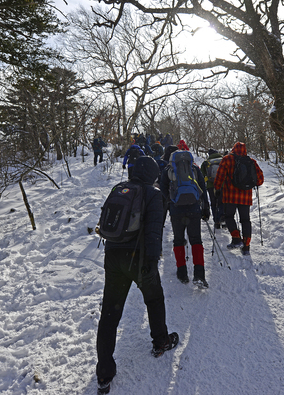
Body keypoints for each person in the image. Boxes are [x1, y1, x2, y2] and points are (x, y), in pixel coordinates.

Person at [96, 156, 179, 394]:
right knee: (154, 298)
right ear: (151, 174)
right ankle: (161, 341)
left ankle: (104, 374)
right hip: (138, 258)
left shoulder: (119, 189)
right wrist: (151, 263)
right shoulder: (153, 194)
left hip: (113, 258)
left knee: (110, 314)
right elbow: (154, 231)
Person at [160, 140, 211, 287]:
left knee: (178, 240)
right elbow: (203, 187)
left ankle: (182, 272)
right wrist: (205, 207)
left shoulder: (168, 170)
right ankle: (199, 274)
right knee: (196, 240)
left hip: (176, 210)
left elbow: (163, 187)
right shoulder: (194, 168)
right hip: (194, 208)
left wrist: (170, 200)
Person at [213, 142, 264, 256]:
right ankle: (246, 246)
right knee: (245, 220)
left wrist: (217, 189)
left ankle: (236, 238)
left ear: (233, 149)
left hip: (230, 196)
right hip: (245, 197)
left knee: (229, 217)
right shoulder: (251, 161)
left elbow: (219, 176)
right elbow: (260, 180)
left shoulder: (227, 159)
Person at [200, 149, 224, 228]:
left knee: (214, 203)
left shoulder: (206, 162)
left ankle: (216, 221)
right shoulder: (223, 160)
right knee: (222, 202)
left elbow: (202, 175)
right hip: (222, 184)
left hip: (211, 185)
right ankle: (222, 217)